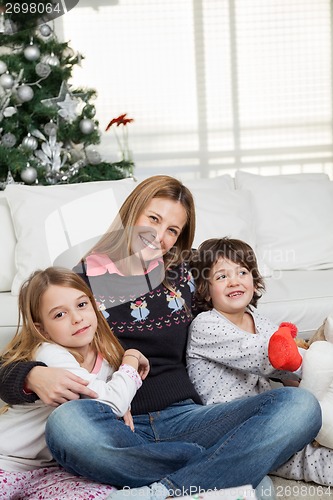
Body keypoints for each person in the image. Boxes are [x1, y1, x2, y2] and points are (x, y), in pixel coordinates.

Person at [0, 175, 321, 499]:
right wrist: (33, 376)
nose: (158, 236)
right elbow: (16, 354)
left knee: (300, 406)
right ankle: (223, 476)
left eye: (173, 230)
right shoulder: (80, 281)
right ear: (131, 212)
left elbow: (236, 290)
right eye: (153, 219)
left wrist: (292, 355)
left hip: (189, 420)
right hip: (114, 424)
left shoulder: (186, 273)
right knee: (65, 426)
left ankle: (163, 492)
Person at [187, 236, 333, 487]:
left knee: (313, 428)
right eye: (221, 276)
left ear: (254, 282)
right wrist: (318, 363)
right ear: (205, 290)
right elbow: (271, 357)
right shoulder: (206, 325)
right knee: (307, 460)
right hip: (231, 430)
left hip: (267, 418)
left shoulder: (260, 321)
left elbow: (289, 376)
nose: (234, 281)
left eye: (242, 272)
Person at [0, 267, 149, 499]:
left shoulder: (107, 359)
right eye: (60, 315)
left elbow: (110, 401)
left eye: (81, 305)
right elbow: (114, 401)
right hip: (6, 461)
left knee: (103, 493)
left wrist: (118, 394)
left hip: (53, 470)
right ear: (43, 330)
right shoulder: (48, 353)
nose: (77, 318)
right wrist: (131, 358)